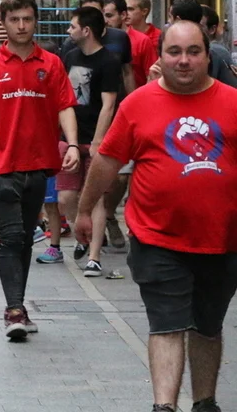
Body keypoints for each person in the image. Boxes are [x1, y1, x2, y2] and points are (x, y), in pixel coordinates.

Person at [76, 20, 237, 412]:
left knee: (207, 326)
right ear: (159, 56)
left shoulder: (233, 102)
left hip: (223, 240)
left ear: (208, 55)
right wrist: (84, 209)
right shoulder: (138, 104)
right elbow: (107, 162)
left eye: (193, 52)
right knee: (167, 325)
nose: (183, 61)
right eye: (174, 52)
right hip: (157, 238)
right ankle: (163, 407)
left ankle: (204, 403)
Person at [0, 0, 78, 339]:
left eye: (27, 19)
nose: (22, 26)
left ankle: (18, 306)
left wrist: (72, 143)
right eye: (15, 20)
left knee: (25, 238)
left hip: (39, 162)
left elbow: (64, 105)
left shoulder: (52, 63)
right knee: (11, 236)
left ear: (35, 21)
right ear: (5, 23)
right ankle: (13, 310)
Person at [38, 6, 121, 274]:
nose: (68, 30)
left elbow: (109, 105)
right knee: (65, 197)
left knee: (96, 198)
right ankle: (82, 233)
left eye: (72, 26)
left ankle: (94, 257)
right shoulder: (70, 56)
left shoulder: (109, 61)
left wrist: (98, 141)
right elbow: (62, 100)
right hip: (70, 139)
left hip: (96, 140)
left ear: (86, 30)